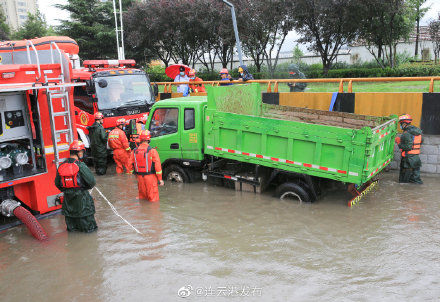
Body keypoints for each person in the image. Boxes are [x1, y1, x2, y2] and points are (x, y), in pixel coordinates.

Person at [55, 140, 97, 233]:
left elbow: (57, 183)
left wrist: (68, 190)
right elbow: (92, 182)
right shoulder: (81, 166)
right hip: (83, 204)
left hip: (68, 204)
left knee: (72, 231)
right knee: (90, 231)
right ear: (80, 152)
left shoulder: (61, 166)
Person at [130, 130, 164, 202]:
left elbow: (130, 165)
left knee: (142, 199)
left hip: (139, 178)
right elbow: (158, 167)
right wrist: (160, 179)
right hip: (150, 178)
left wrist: (135, 176)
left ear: (141, 139)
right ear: (149, 139)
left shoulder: (134, 151)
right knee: (153, 200)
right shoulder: (152, 151)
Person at [395, 114, 423, 184]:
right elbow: (421, 141)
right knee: (416, 180)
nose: (400, 126)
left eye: (401, 124)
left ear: (404, 124)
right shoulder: (418, 131)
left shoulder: (406, 133)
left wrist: (398, 142)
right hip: (416, 158)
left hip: (407, 160)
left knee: (403, 182)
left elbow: (407, 147)